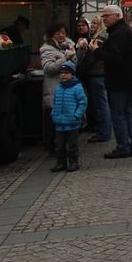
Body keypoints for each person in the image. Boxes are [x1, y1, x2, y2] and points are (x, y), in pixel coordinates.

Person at [93, 4, 132, 159]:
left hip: (119, 80)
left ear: (117, 16)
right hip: (128, 79)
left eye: (107, 15)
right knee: (128, 113)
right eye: (103, 16)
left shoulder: (118, 33)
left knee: (119, 115)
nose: (105, 19)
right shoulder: (124, 31)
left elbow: (114, 57)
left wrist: (96, 51)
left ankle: (123, 147)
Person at [74, 17, 111, 144]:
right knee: (99, 104)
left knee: (101, 104)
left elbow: (93, 57)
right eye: (92, 23)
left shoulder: (99, 38)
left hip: (96, 74)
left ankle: (104, 132)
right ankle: (101, 130)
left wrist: (81, 71)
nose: (93, 25)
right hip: (95, 74)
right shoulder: (93, 38)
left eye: (95, 23)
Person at [41, 22, 77, 151]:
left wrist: (76, 54)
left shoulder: (69, 45)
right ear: (52, 35)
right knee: (55, 120)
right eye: (58, 33)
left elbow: (74, 67)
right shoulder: (47, 49)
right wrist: (65, 59)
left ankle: (67, 147)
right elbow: (48, 68)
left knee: (68, 120)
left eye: (63, 32)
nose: (62, 35)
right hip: (54, 89)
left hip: (69, 90)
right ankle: (54, 147)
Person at [50, 61, 87, 173]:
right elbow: (55, 102)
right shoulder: (58, 88)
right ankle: (61, 162)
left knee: (72, 145)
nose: (63, 75)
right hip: (59, 122)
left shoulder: (77, 88)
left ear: (72, 74)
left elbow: (83, 102)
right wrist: (54, 113)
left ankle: (73, 162)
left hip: (72, 122)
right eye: (61, 73)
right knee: (59, 145)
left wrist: (77, 115)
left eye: (66, 73)